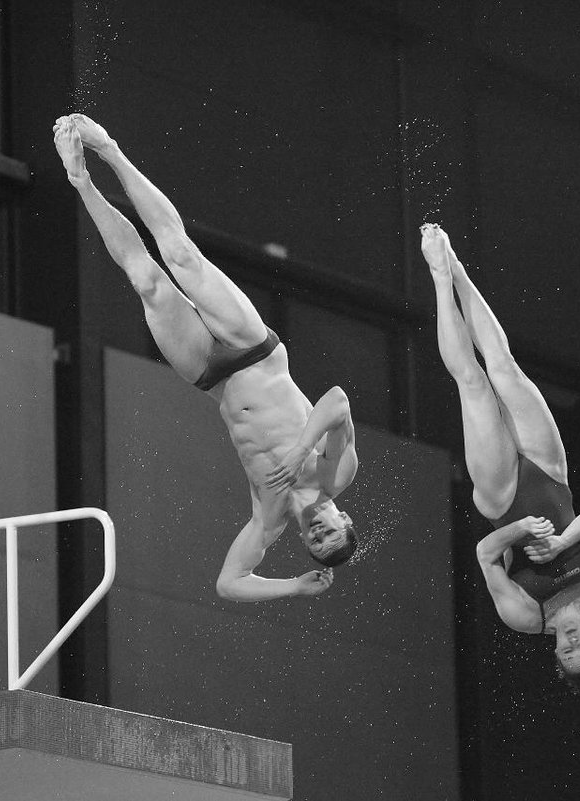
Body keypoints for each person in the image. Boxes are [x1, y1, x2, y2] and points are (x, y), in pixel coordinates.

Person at [53, 114, 359, 601]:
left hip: (210, 374)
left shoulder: (269, 519)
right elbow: (339, 401)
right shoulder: (334, 475)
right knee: (180, 256)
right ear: (342, 516)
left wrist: (294, 588)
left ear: (304, 541)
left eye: (315, 541)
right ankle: (108, 148)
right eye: (330, 530)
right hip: (254, 350)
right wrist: (303, 450)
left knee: (149, 283)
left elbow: (229, 583)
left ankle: (80, 179)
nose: (319, 530)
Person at [420, 223, 580, 692]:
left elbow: (486, 555)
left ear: (555, 654)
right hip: (552, 476)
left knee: (473, 385)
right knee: (505, 368)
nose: (573, 643)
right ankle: (458, 271)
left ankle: (437, 277)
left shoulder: (524, 617)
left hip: (503, 500)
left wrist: (519, 531)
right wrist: (560, 542)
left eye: (567, 653)